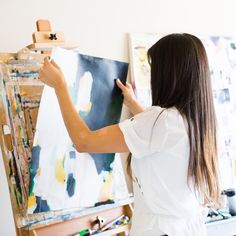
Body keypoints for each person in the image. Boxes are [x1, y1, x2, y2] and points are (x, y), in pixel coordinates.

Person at [39, 33, 220, 236]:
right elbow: (162, 139)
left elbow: (83, 141)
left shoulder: (161, 122)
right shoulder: (199, 122)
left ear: (169, 74)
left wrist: (60, 87)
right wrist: (134, 105)